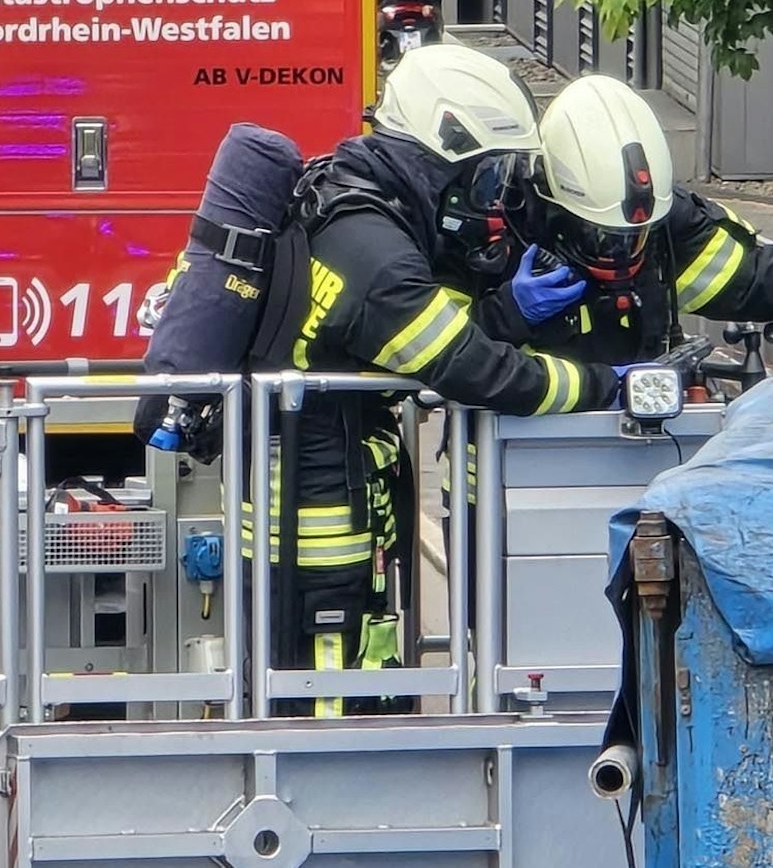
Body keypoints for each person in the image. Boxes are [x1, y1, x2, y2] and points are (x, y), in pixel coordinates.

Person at [257, 44, 623, 716]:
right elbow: (475, 370)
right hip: (322, 518)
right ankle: (331, 778)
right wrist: (604, 385)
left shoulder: (353, 204)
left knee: (342, 660)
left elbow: (416, 342)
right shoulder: (377, 257)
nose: (493, 202)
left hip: (321, 490)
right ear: (436, 155)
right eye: (485, 179)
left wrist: (508, 311)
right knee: (326, 690)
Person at [477, 74, 773, 363]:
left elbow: (754, 279)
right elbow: (448, 352)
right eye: (603, 235)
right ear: (558, 203)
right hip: (514, 452)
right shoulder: (497, 228)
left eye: (635, 236)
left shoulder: (670, 226)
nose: (622, 250)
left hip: (644, 443)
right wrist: (507, 313)